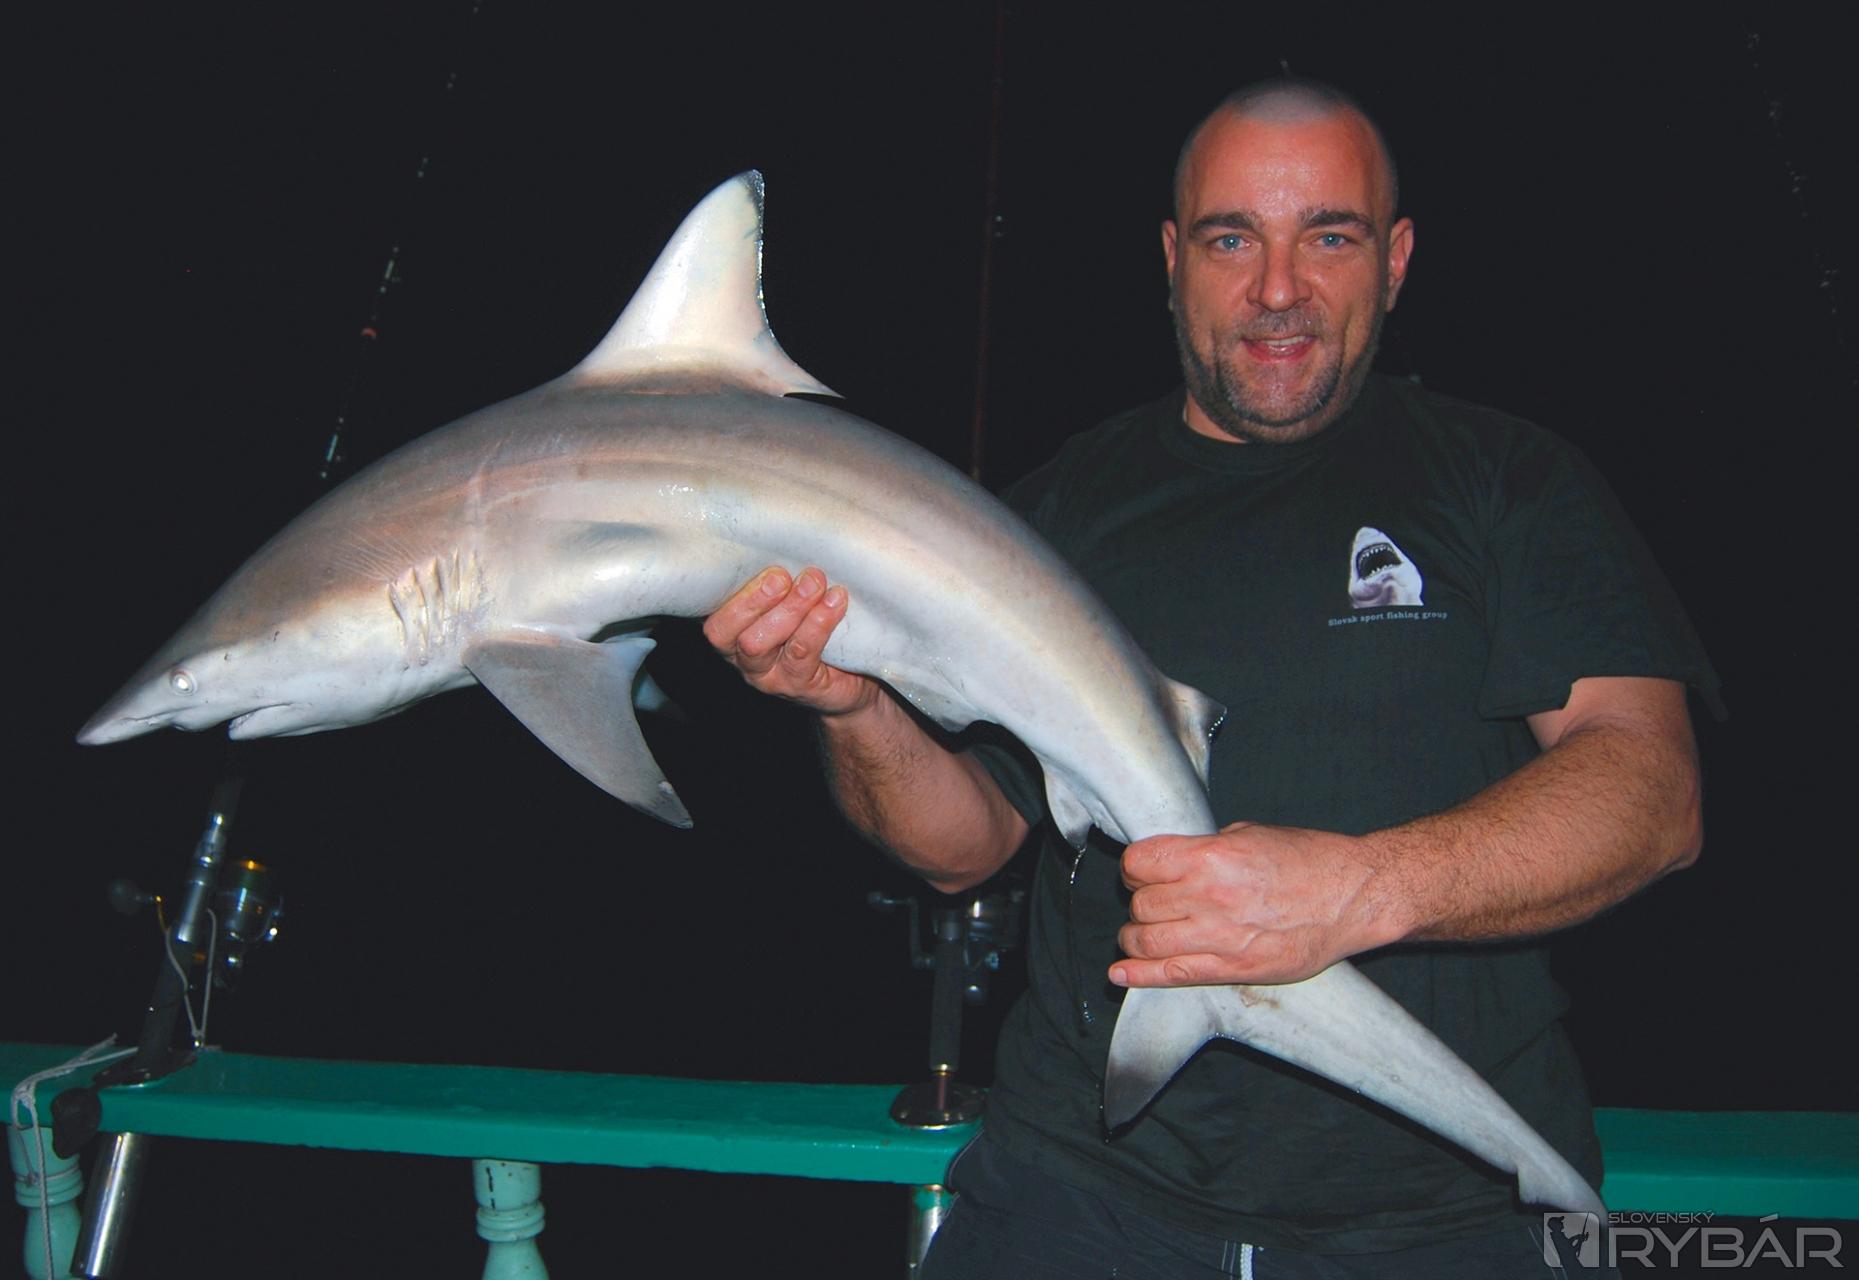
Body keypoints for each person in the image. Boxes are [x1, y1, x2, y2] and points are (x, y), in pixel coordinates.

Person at [705, 80, 1716, 1277]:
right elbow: (963, 846)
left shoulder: (1506, 480)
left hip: (1442, 1220)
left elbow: (1650, 789)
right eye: (1231, 239)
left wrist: (1354, 889)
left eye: (1327, 237)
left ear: (1394, 260)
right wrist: (854, 705)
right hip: (1077, 1185)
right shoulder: (1052, 515)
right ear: (1171, 259)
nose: (1277, 288)